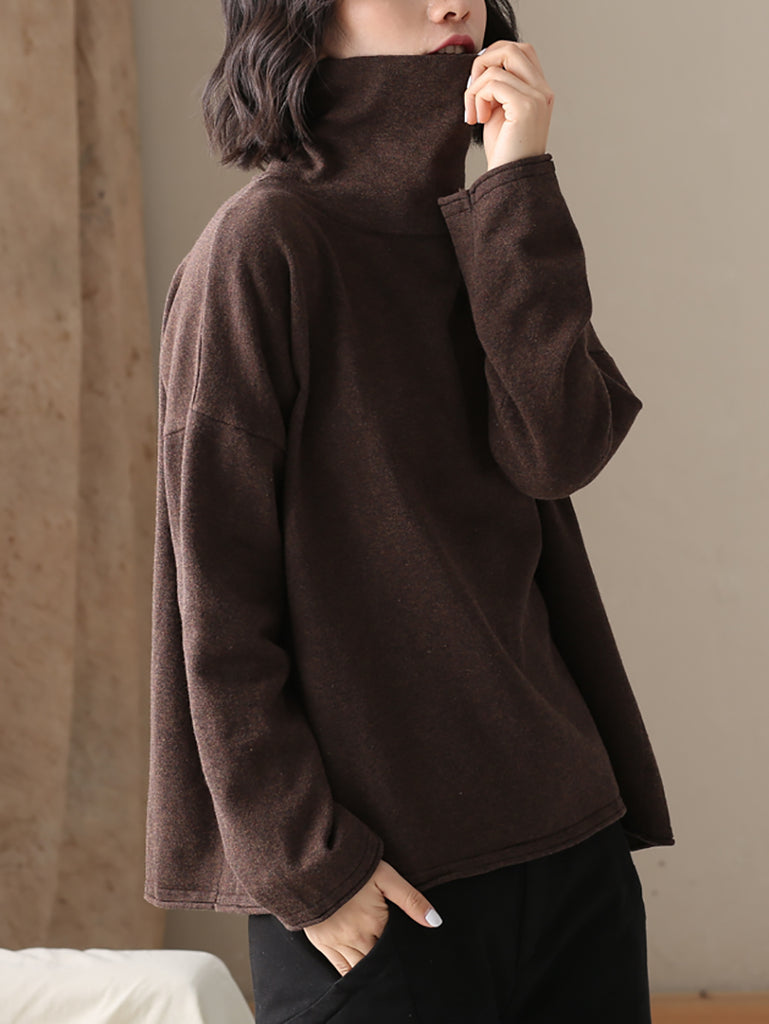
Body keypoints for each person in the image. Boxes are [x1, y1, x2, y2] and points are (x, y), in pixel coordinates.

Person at [143, 0, 675, 1021]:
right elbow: (216, 608)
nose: (451, 2)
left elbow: (559, 449)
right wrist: (307, 866)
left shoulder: (485, 229)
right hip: (381, 888)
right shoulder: (260, 248)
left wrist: (517, 180)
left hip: (571, 850)